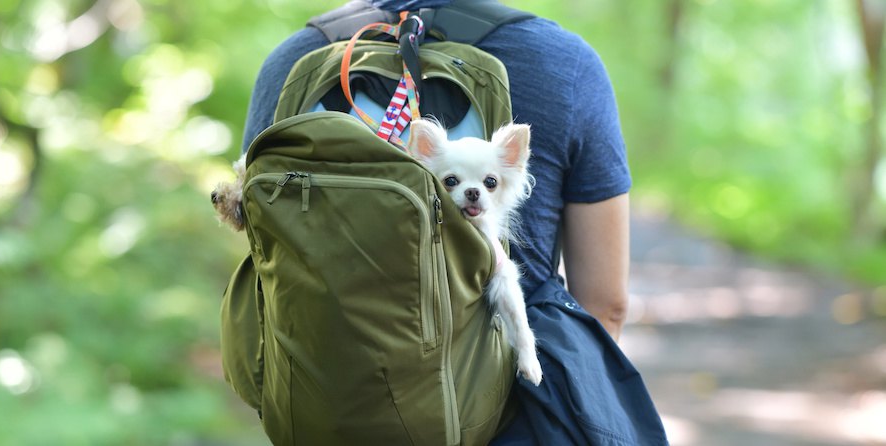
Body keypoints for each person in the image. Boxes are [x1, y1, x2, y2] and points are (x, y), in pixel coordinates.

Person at [240, 1, 668, 444]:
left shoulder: (292, 62)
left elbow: (264, 259)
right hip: (507, 417)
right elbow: (606, 304)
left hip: (324, 402)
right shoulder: (564, 61)